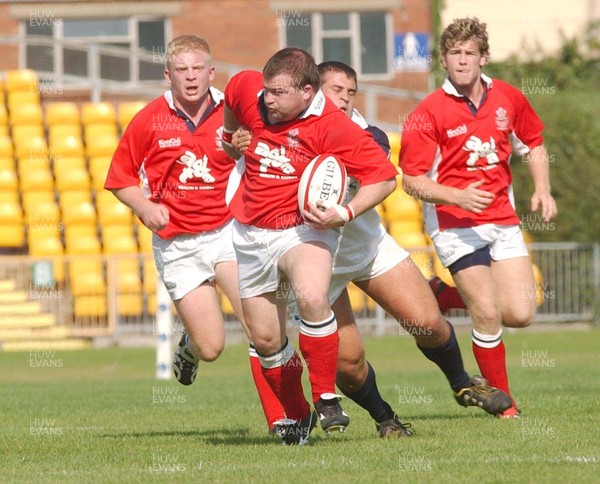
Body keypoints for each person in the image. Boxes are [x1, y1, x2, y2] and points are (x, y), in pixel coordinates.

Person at [234, 61, 513, 437]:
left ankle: (463, 382)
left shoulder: (364, 134)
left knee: (427, 323)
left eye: (351, 92)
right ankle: (386, 418)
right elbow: (244, 123)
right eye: (336, 90)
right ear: (313, 92)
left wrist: (341, 206)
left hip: (365, 248)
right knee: (348, 364)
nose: (345, 99)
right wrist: (235, 139)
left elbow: (376, 173)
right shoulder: (279, 117)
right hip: (314, 260)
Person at [104, 35, 286, 432]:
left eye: (197, 69)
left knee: (262, 329)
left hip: (228, 233)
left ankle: (282, 419)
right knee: (212, 347)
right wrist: (145, 206)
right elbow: (119, 178)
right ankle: (188, 346)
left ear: (211, 72)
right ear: (168, 74)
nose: (190, 77)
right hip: (178, 244)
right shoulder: (149, 119)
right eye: (182, 70)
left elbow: (271, 151)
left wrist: (245, 145)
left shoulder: (235, 110)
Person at [222, 48, 398, 445]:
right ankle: (299, 415)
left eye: (278, 93)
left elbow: (385, 178)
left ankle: (325, 396)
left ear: (306, 91)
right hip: (250, 232)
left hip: (304, 229)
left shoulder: (332, 126)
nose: (267, 99)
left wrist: (346, 213)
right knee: (266, 340)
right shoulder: (251, 91)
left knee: (312, 296)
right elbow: (232, 99)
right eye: (266, 90)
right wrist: (231, 140)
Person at [399, 17, 558, 418]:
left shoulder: (507, 98)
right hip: (453, 224)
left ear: (483, 57)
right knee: (486, 312)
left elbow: (534, 143)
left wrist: (542, 189)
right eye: (455, 53)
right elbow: (412, 181)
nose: (463, 60)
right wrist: (456, 195)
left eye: (471, 53)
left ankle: (443, 295)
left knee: (520, 313)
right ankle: (503, 405)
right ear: (444, 60)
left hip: (502, 219)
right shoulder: (428, 112)